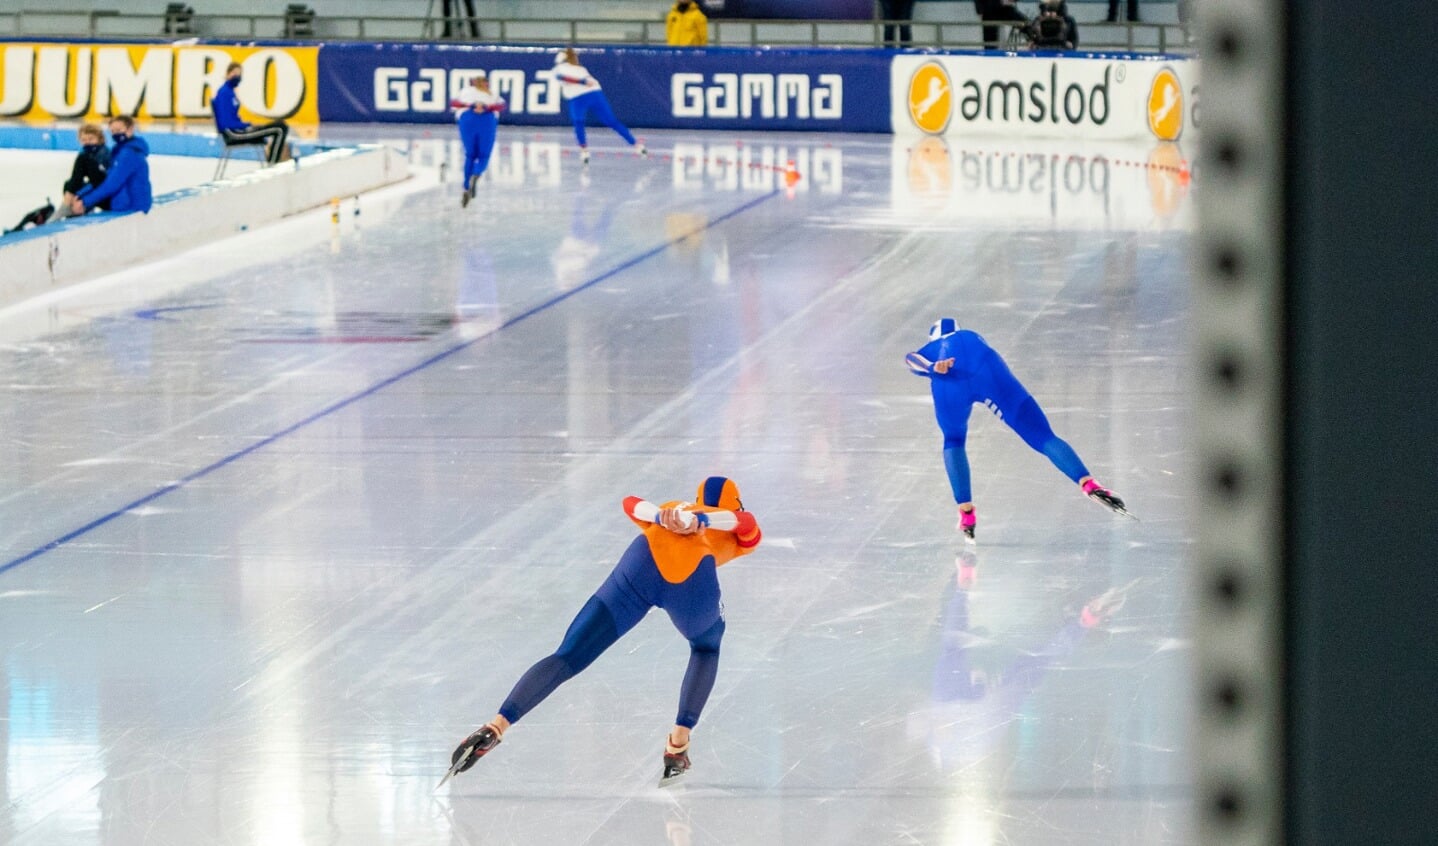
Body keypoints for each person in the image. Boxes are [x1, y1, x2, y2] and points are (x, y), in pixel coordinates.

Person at [447, 477, 763, 786]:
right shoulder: (728, 529)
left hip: (640, 567)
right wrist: (698, 519)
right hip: (690, 581)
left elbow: (629, 504)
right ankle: (677, 746)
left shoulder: (675, 508)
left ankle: (496, 726)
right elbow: (746, 523)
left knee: (568, 655)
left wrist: (664, 516)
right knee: (706, 648)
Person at [906, 318, 1126, 542]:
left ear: (932, 337)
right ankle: (1089, 484)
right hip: (988, 369)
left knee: (953, 440)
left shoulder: (932, 349)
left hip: (948, 382)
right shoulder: (973, 336)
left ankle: (966, 514)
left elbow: (911, 359)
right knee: (1043, 436)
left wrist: (933, 367)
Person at [552, 48, 647, 165]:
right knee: (583, 122)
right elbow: (561, 78)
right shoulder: (566, 69)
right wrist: (582, 82)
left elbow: (562, 78)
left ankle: (635, 144)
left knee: (595, 122)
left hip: (588, 94)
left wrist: (582, 82)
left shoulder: (578, 69)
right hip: (585, 96)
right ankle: (585, 150)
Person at [211, 61, 291, 166]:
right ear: (228, 73)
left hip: (238, 130)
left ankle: (273, 160)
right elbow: (226, 123)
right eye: (235, 73)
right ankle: (272, 164)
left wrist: (247, 125)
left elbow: (233, 118)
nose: (237, 76)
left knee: (280, 124)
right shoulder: (224, 93)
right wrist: (246, 125)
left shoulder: (230, 92)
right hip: (233, 133)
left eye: (239, 74)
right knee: (279, 129)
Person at [70, 115, 151, 217]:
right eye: (112, 131)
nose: (116, 134)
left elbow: (112, 184)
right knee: (78, 196)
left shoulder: (129, 154)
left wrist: (84, 201)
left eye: (119, 130)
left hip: (130, 207)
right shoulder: (120, 151)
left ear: (130, 129)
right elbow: (107, 177)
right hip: (124, 202)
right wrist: (81, 194)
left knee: (83, 161)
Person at [449, 72, 506, 208]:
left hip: (467, 120)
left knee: (470, 155)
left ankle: (466, 186)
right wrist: (486, 107)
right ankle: (476, 173)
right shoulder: (491, 94)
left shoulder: (465, 92)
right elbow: (502, 106)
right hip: (487, 120)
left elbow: (453, 104)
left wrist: (471, 107)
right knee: (484, 155)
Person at [55, 123, 111, 220]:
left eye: (91, 139)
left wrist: (79, 195)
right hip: (96, 187)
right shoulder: (85, 153)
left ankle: (68, 207)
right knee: (68, 184)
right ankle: (71, 206)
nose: (87, 142)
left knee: (81, 162)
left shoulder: (104, 154)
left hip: (105, 192)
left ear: (99, 139)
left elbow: (100, 181)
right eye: (84, 140)